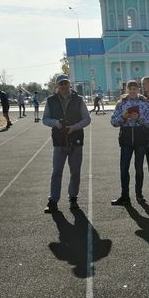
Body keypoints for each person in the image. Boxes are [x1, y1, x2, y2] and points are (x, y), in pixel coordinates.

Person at [42, 74, 91, 213]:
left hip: (76, 140)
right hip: (59, 141)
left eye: (66, 83)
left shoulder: (79, 99)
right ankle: (53, 201)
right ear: (57, 85)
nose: (63, 86)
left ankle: (73, 198)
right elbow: (45, 119)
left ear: (70, 84)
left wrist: (75, 127)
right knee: (57, 171)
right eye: (61, 84)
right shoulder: (50, 101)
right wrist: (55, 123)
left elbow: (87, 119)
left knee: (75, 172)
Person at [110, 80, 149, 206]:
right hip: (126, 138)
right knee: (124, 168)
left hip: (141, 138)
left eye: (135, 88)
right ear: (127, 90)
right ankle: (124, 196)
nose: (133, 91)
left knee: (139, 169)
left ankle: (139, 195)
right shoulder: (121, 103)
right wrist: (123, 117)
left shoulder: (145, 103)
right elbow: (113, 122)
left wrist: (139, 118)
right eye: (130, 89)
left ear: (139, 89)